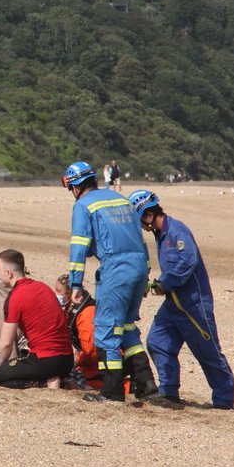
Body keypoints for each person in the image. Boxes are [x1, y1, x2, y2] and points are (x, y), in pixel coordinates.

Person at [62, 161, 174, 406]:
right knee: (126, 328)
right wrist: (144, 278)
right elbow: (140, 241)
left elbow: (79, 246)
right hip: (138, 267)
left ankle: (111, 391)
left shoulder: (83, 205)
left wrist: (75, 284)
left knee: (105, 329)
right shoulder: (121, 200)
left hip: (116, 268)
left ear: (75, 186)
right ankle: (146, 386)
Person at [128, 190, 234, 408]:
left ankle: (224, 402)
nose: (139, 226)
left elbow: (187, 263)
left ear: (148, 215)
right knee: (157, 342)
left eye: (139, 220)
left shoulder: (177, 232)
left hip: (193, 305)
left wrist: (162, 284)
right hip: (173, 305)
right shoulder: (160, 235)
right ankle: (168, 392)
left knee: (208, 354)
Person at [0, 249, 74, 388]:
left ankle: (43, 382)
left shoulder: (15, 297)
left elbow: (6, 344)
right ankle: (53, 377)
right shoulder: (42, 287)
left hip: (45, 360)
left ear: (9, 273)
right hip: (67, 360)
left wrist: (0, 365)